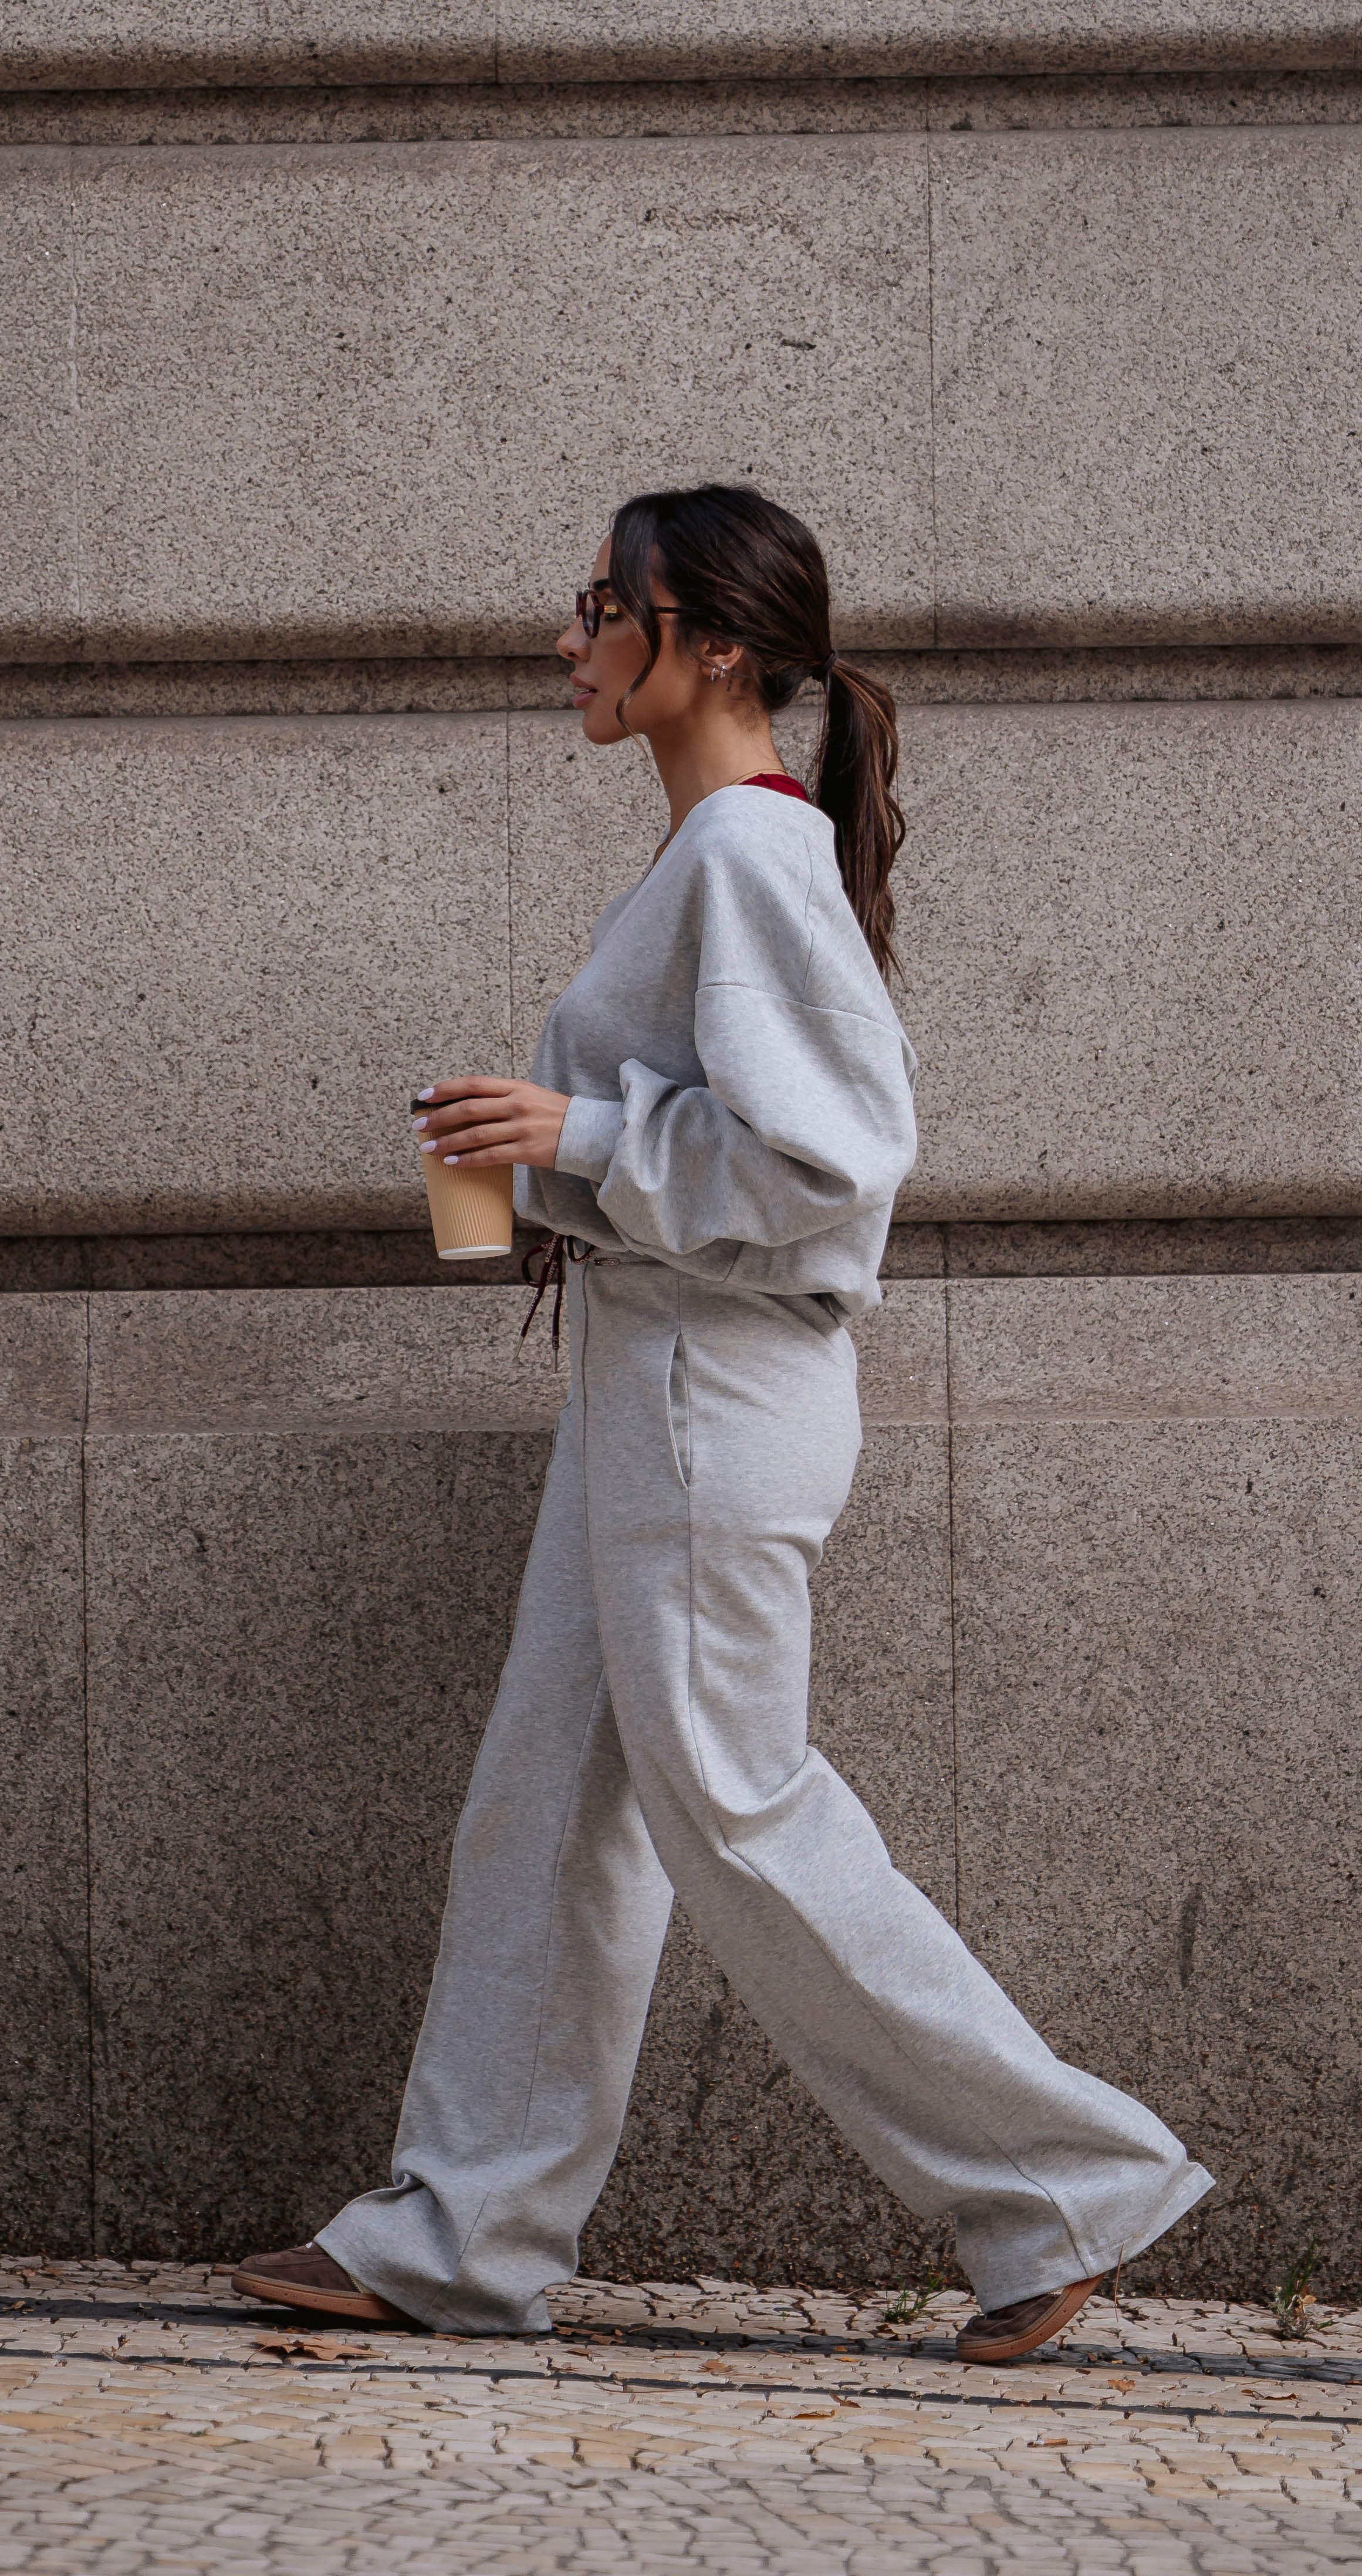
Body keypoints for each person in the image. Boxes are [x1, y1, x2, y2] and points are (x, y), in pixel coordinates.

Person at [234, 484, 1211, 2361]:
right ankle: (460, 2227)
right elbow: (729, 1147)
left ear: (714, 650)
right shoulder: (717, 859)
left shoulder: (748, 861)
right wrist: (551, 1163)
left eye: (606, 605)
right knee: (550, 1813)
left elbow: (834, 1162)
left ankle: (1058, 2192)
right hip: (657, 1390)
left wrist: (578, 1139)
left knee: (743, 1819)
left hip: (709, 1397)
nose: (572, 638)